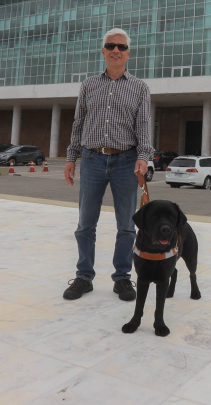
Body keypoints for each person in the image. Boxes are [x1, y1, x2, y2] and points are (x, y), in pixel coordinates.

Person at [63, 27, 153, 301]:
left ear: (128, 53)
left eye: (121, 47)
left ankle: (122, 278)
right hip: (92, 159)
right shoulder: (89, 85)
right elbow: (78, 123)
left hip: (126, 161)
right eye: (111, 46)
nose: (116, 50)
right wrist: (71, 157)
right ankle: (84, 277)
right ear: (103, 52)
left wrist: (144, 157)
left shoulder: (139, 87)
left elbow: (144, 125)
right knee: (85, 224)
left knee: (126, 225)